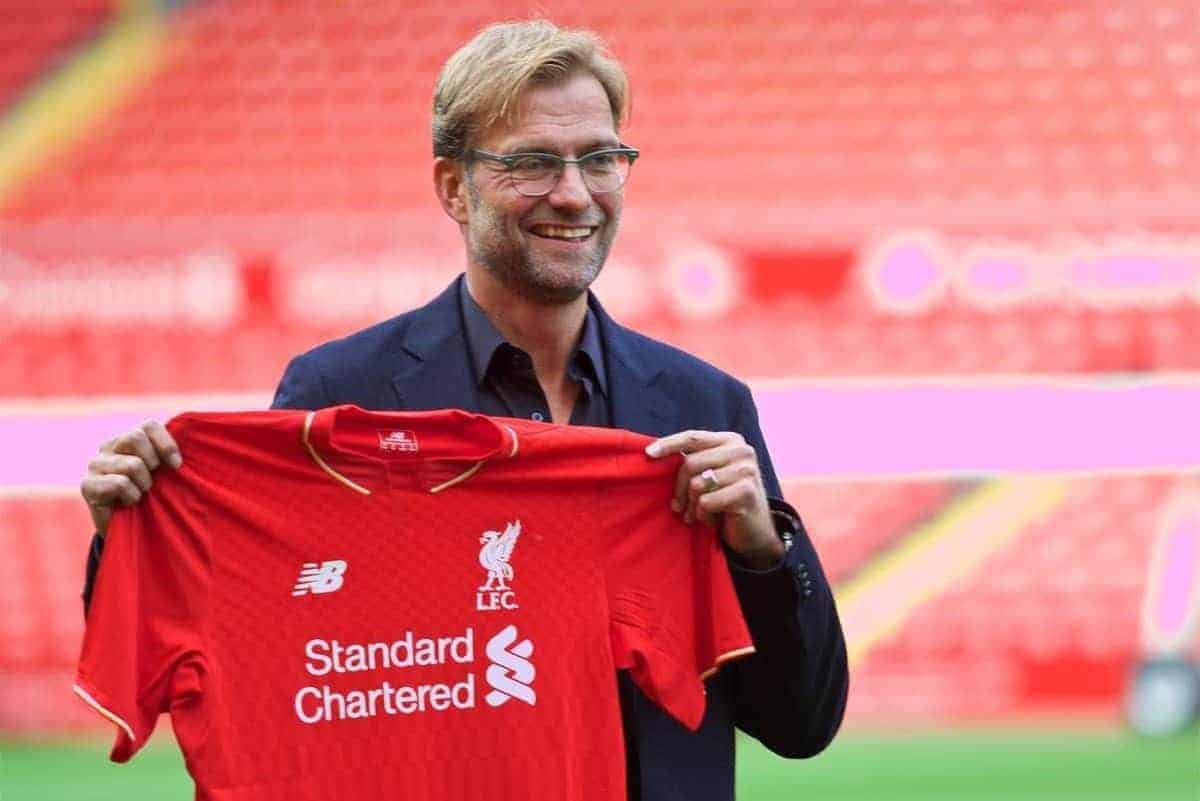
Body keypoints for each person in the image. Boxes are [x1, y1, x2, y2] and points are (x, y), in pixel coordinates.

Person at [79, 19, 847, 800]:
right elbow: (258, 663)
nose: (575, 193)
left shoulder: (701, 407)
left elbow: (802, 722)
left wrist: (763, 550)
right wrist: (134, 532)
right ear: (453, 186)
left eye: (600, 159)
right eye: (533, 163)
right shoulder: (340, 398)